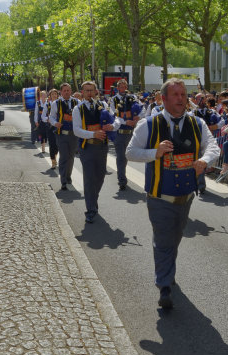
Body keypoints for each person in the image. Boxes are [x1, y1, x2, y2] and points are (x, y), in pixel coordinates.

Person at [125, 78, 220, 310]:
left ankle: (167, 271)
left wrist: (204, 160)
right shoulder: (148, 124)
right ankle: (164, 285)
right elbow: (130, 153)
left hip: (186, 196)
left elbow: (213, 146)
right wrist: (154, 153)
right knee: (164, 239)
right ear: (163, 99)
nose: (181, 99)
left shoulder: (197, 123)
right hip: (159, 196)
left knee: (175, 237)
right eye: (175, 95)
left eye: (183, 95)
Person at [71, 80, 114, 223]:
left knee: (100, 176)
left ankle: (92, 199)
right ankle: (90, 209)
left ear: (96, 91)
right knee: (89, 178)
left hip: (102, 147)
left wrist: (112, 126)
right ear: (82, 93)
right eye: (86, 90)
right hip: (87, 147)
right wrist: (93, 134)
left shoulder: (104, 105)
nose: (89, 93)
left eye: (91, 90)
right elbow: (76, 130)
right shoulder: (78, 109)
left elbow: (116, 120)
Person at [110, 78, 141, 191]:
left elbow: (141, 110)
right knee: (121, 157)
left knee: (127, 156)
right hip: (120, 132)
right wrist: (125, 122)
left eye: (125, 86)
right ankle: (122, 179)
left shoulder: (133, 98)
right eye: (121, 87)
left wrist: (138, 117)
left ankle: (122, 175)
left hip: (131, 132)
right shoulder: (114, 100)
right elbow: (113, 115)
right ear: (118, 88)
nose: (123, 88)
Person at [52, 83, 78, 192]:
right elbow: (51, 117)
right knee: (63, 157)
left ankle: (68, 176)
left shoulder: (77, 103)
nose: (67, 92)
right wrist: (55, 123)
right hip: (61, 134)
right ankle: (63, 181)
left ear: (71, 91)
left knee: (71, 157)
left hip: (73, 135)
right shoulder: (56, 103)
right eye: (64, 90)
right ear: (61, 92)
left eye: (68, 90)